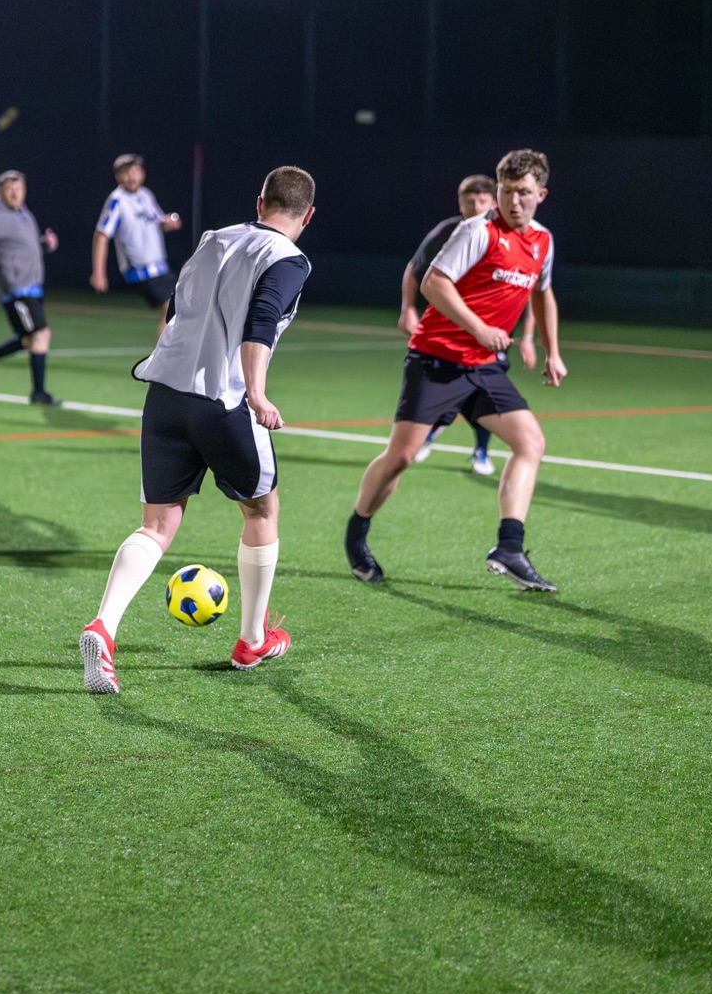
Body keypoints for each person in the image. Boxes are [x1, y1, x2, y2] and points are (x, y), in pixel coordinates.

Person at [80, 165, 315, 694]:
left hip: (164, 395)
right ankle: (252, 639)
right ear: (308, 215)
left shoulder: (214, 238)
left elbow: (175, 304)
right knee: (261, 508)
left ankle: (103, 626)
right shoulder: (289, 259)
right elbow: (262, 321)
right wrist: (255, 393)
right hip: (224, 401)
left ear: (260, 202)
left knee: (156, 527)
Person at [344, 148, 566, 592]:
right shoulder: (477, 230)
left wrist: (550, 350)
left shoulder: (542, 240)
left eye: (523, 193)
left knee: (531, 442)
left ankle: (509, 547)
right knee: (401, 458)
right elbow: (433, 282)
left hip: (483, 368)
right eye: (506, 191)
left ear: (541, 194)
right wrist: (481, 327)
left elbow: (543, 292)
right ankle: (357, 533)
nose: (514, 201)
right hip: (436, 360)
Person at [400, 175, 537, 475]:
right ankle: (430, 434)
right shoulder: (449, 231)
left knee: (486, 396)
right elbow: (415, 269)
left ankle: (479, 451)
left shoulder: (515, 236)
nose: (475, 206)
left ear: (493, 201)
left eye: (482, 201)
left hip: (494, 337)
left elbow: (530, 289)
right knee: (459, 391)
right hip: (448, 335)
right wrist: (407, 308)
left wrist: (528, 337)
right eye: (469, 200)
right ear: (460, 202)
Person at [0, 170, 62, 405]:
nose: (15, 193)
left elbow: (24, 248)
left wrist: (44, 245)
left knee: (33, 338)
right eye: (9, 188)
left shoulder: (22, 213)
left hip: (31, 287)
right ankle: (38, 393)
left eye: (19, 188)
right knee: (39, 335)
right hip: (17, 289)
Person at [90, 153, 182, 335]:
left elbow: (158, 223)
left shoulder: (146, 196)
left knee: (183, 308)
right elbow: (101, 235)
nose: (132, 176)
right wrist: (98, 273)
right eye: (126, 172)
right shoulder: (117, 201)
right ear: (117, 176)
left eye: (136, 171)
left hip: (160, 268)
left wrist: (168, 224)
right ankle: (162, 361)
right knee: (172, 308)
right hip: (140, 270)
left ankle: (167, 358)